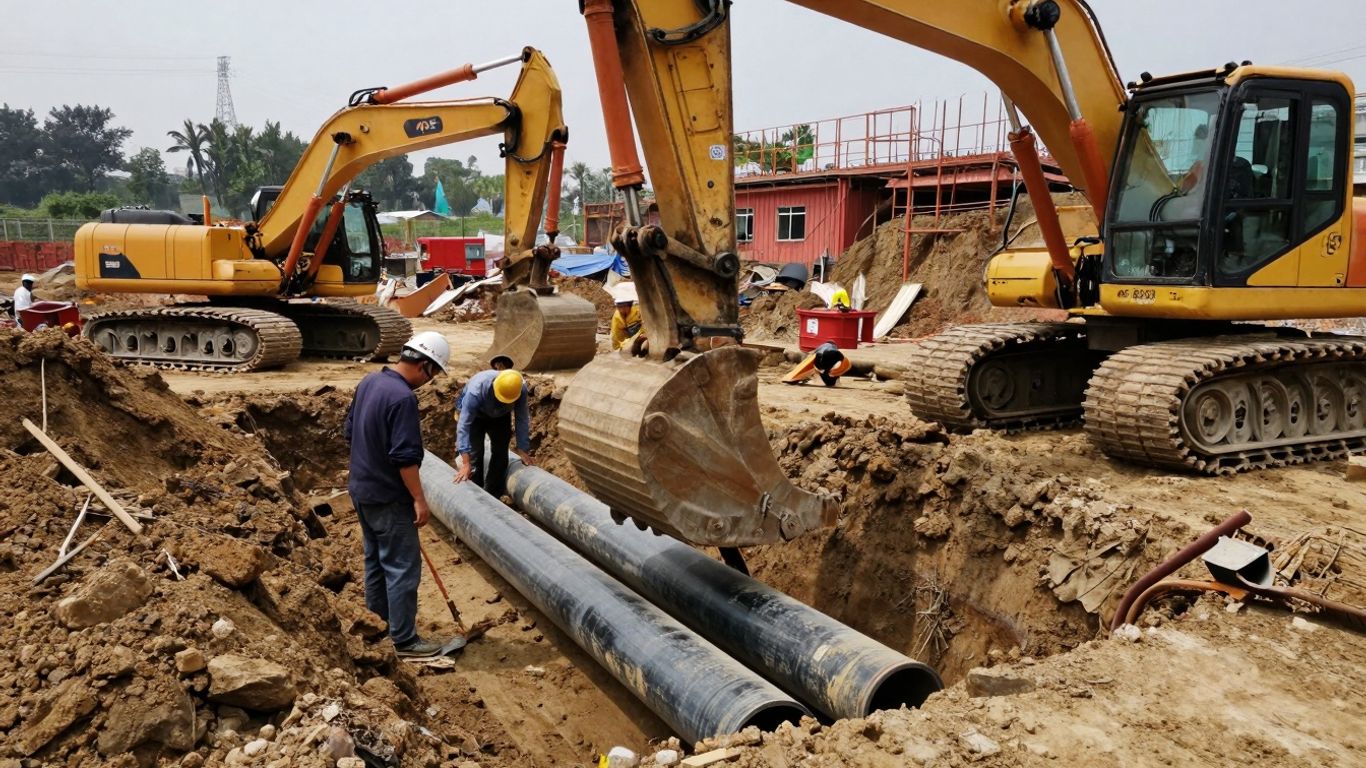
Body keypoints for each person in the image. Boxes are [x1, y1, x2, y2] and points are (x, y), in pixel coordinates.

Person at [344, 330, 451, 658]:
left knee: (376, 561)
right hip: (388, 497)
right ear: (424, 366)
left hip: (361, 490)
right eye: (432, 374)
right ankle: (404, 641)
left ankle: (378, 627)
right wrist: (419, 499)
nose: (430, 381)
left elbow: (349, 431)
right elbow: (405, 458)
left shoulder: (369, 382)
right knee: (402, 566)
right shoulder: (403, 398)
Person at [454, 367, 534, 497]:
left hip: (501, 416)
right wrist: (466, 463)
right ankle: (474, 495)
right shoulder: (476, 391)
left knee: (501, 454)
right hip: (477, 416)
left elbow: (522, 418)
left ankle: (493, 495)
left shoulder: (519, 389)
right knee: (475, 455)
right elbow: (464, 425)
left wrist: (523, 449)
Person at [609, 281, 643, 351]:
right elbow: (616, 337)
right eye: (619, 306)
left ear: (630, 304)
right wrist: (619, 348)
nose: (621, 310)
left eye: (624, 306)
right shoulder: (617, 317)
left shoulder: (640, 310)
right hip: (630, 343)